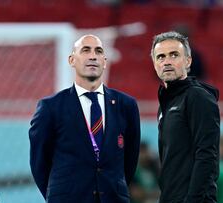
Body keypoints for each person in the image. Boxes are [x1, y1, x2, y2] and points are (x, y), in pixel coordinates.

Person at [29, 34, 141, 203]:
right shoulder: (50, 107)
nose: (93, 56)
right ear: (72, 60)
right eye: (85, 50)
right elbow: (39, 162)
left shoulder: (126, 105)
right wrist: (58, 194)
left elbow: (130, 160)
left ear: (104, 61)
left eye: (98, 51)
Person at [150, 31, 220, 203]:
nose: (166, 61)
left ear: (188, 61)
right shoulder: (165, 105)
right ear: (154, 64)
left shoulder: (198, 97)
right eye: (160, 57)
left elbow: (207, 155)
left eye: (174, 55)